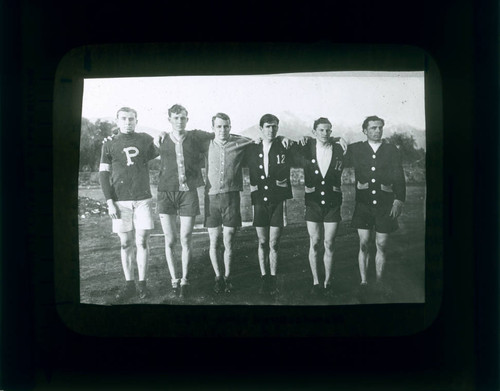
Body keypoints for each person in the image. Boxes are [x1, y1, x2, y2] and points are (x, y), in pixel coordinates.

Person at [99, 107, 159, 302]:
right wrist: (109, 202)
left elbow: (162, 150)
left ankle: (142, 284)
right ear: (117, 121)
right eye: (123, 119)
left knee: (142, 241)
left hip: (142, 199)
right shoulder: (109, 144)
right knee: (125, 243)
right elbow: (103, 175)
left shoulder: (144, 139)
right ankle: (129, 284)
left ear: (136, 120)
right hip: (120, 200)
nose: (127, 122)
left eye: (131, 119)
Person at [155, 104, 215, 299]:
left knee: (186, 238)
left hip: (188, 193)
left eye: (182, 118)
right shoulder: (161, 139)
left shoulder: (196, 137)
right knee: (170, 239)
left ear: (187, 119)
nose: (179, 121)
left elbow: (222, 135)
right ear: (169, 119)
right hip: (166, 193)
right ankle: (174, 279)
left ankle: (185, 281)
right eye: (175, 118)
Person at [344, 116, 406, 291]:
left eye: (380, 128)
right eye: (373, 128)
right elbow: (332, 150)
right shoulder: (355, 148)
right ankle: (364, 281)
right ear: (365, 131)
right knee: (363, 243)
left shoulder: (391, 149)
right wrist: (336, 138)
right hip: (363, 204)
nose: (377, 131)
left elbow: (399, 176)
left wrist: (398, 200)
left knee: (381, 244)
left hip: (385, 204)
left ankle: (379, 281)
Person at [203, 113, 255, 294]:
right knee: (214, 241)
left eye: (226, 126)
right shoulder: (206, 144)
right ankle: (218, 277)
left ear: (230, 127)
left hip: (232, 197)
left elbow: (254, 139)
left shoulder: (239, 143)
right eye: (219, 126)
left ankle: (228, 277)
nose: (222, 130)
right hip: (211, 198)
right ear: (213, 128)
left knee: (229, 240)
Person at [245, 114, 295, 297]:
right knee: (263, 241)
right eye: (267, 126)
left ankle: (273, 278)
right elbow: (230, 140)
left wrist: (338, 138)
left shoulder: (284, 145)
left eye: (274, 127)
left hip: (277, 200)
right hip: (259, 200)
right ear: (261, 128)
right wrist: (250, 139)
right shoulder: (251, 147)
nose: (271, 130)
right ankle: (264, 277)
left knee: (274, 243)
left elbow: (311, 145)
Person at [294, 117, 345, 297]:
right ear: (314, 131)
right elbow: (280, 144)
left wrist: (339, 139)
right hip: (313, 202)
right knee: (314, 243)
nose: (325, 133)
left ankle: (328, 282)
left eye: (328, 130)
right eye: (321, 130)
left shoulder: (340, 148)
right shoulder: (306, 147)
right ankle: (316, 282)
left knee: (329, 243)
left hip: (333, 202)